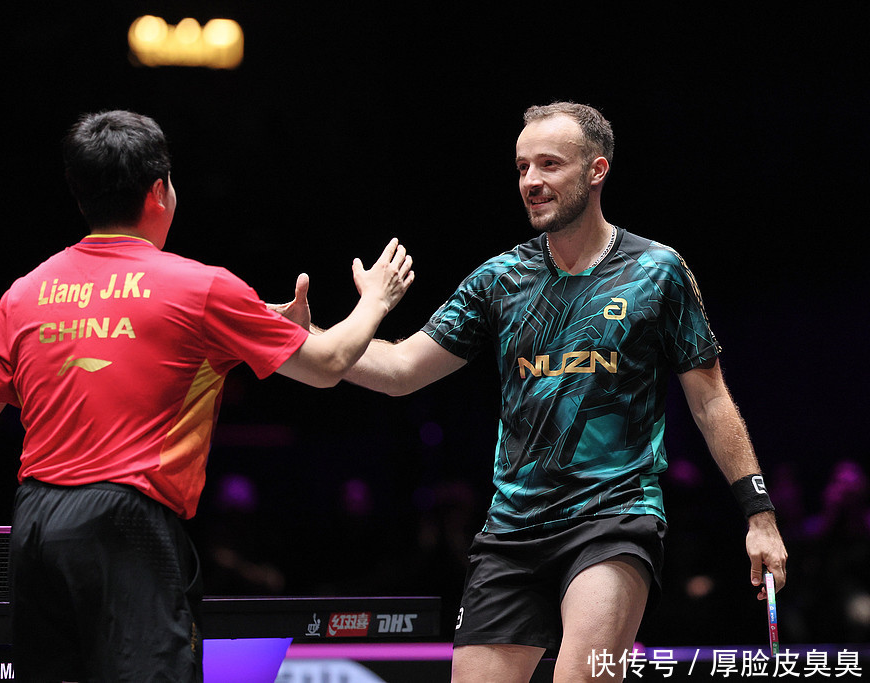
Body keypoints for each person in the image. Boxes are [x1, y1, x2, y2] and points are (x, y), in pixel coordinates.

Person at [0, 109, 414, 682]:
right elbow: (329, 365)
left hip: (35, 524)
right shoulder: (202, 287)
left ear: (80, 193)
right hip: (128, 523)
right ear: (158, 191)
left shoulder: (25, 292)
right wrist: (375, 300)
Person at [272, 101, 788, 681]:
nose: (531, 181)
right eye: (522, 167)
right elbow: (401, 368)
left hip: (613, 517)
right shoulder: (500, 280)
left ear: (596, 170)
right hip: (512, 529)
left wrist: (759, 514)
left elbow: (711, 400)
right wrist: (306, 338)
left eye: (549, 164)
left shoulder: (656, 272)